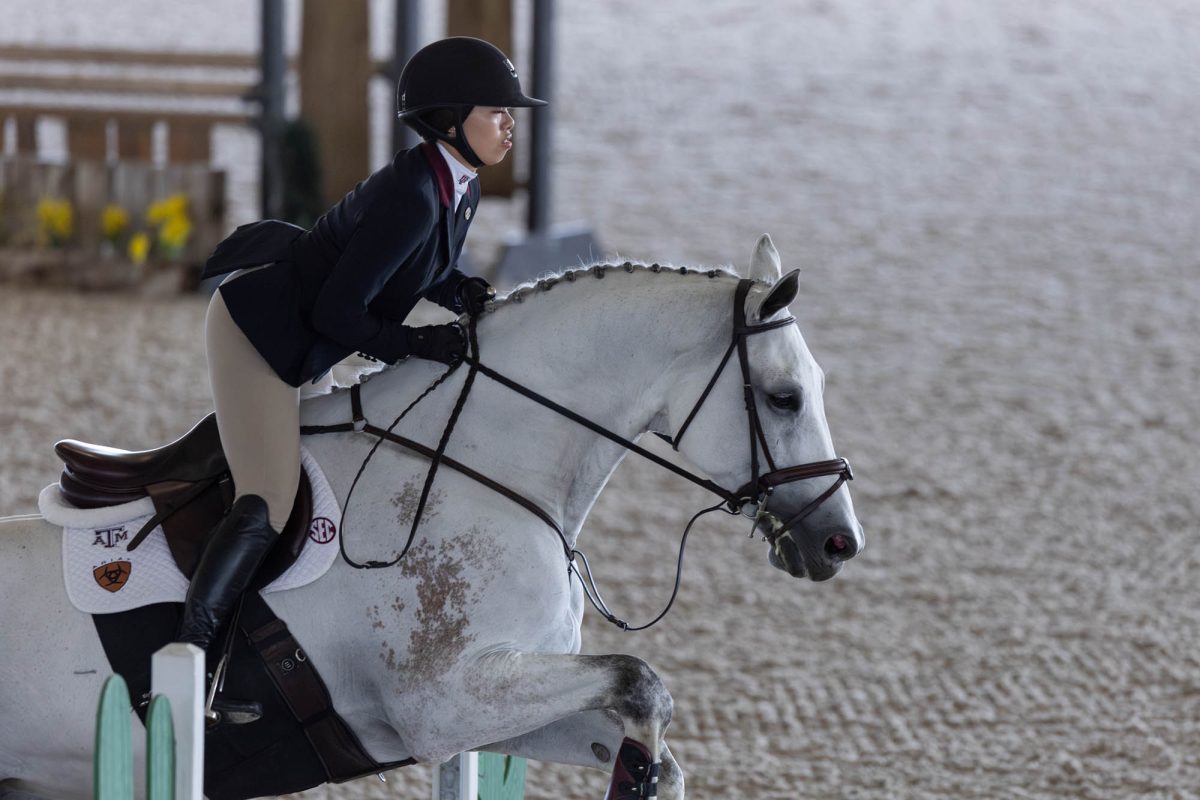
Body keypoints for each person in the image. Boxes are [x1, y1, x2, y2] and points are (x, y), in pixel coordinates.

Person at [180, 37, 546, 654]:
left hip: (311, 339)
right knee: (269, 498)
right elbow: (338, 310)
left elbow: (421, 267)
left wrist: (464, 294)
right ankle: (195, 647)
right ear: (450, 121)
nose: (510, 125)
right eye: (495, 112)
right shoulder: (412, 193)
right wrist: (415, 343)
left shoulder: (457, 185)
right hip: (260, 337)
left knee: (325, 476)